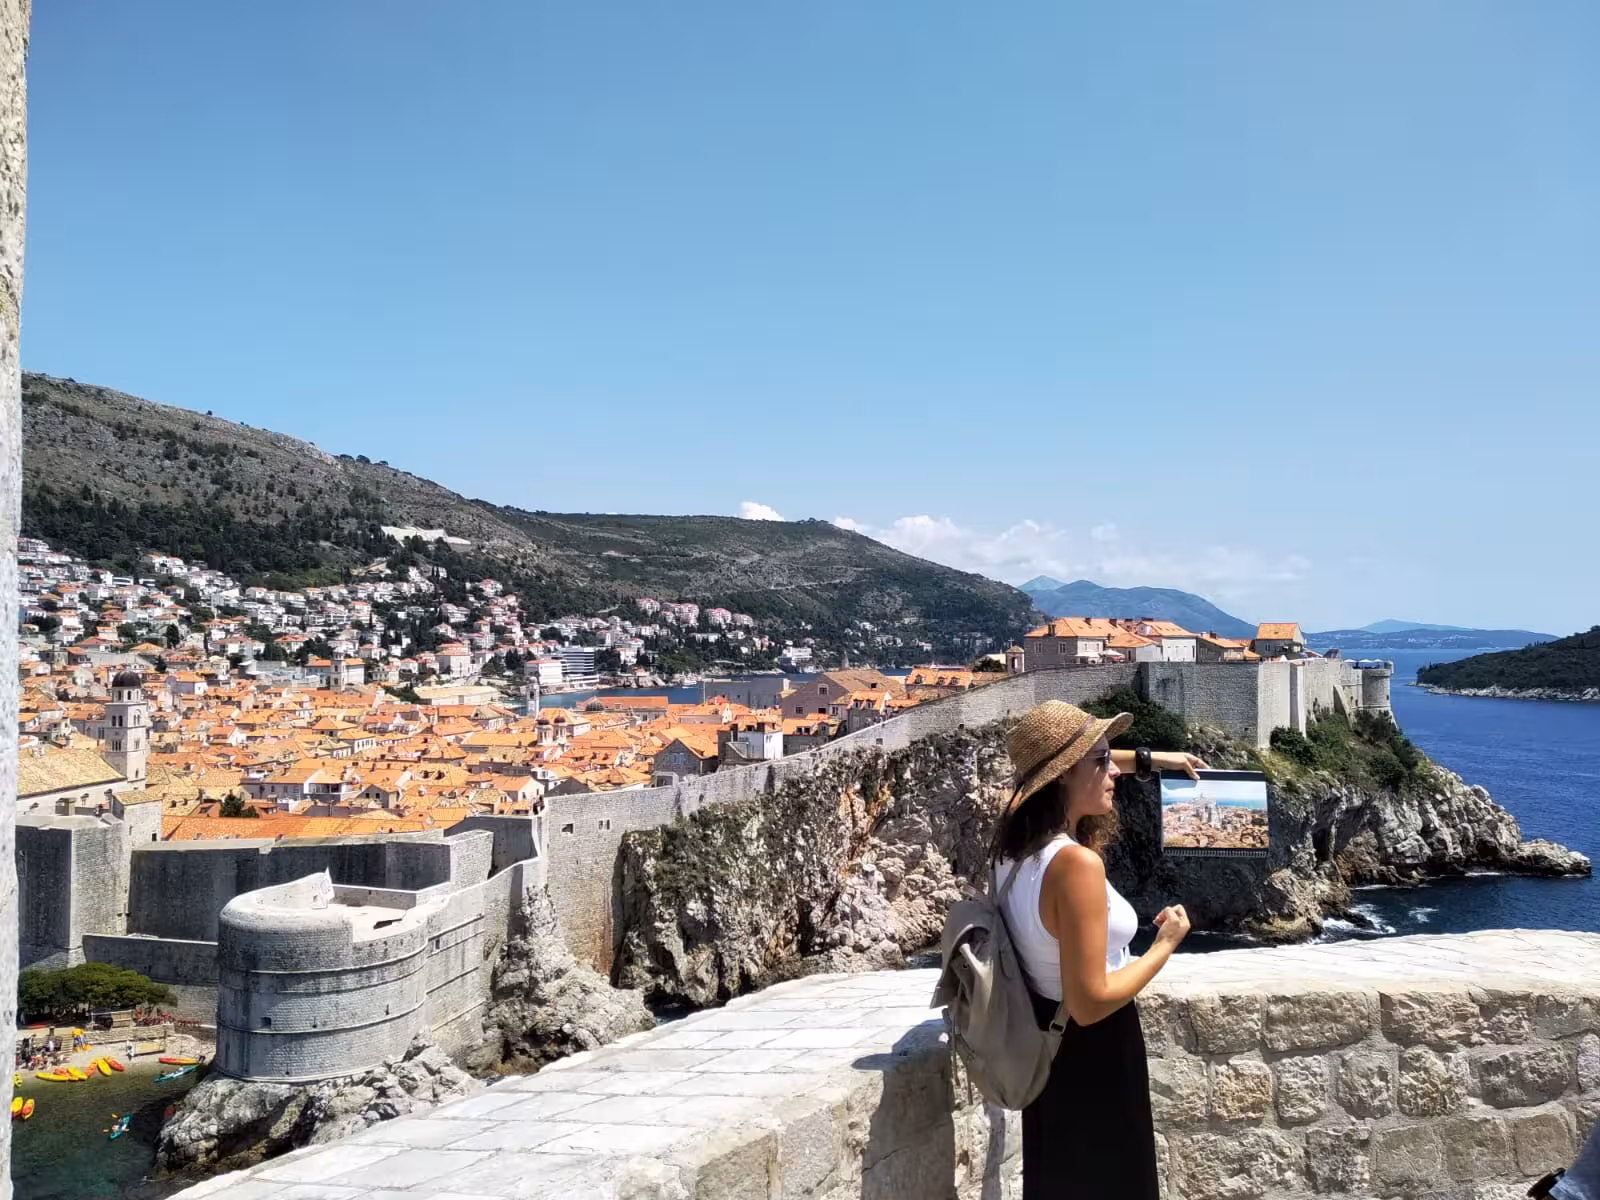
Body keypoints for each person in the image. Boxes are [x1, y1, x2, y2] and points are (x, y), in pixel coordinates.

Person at [992, 700, 1204, 1200]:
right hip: (1095, 1051)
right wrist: (1164, 945)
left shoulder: (1013, 837)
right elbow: (1089, 1003)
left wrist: (1162, 760)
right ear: (1065, 775)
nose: (1115, 771)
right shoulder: (1076, 866)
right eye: (1103, 761)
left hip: (1044, 1043)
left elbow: (1084, 765)